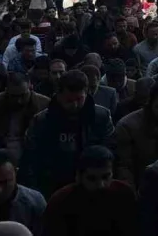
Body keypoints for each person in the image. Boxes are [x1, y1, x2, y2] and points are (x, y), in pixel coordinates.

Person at [21, 70, 115, 198]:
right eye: (69, 100)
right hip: (52, 182)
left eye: (79, 99)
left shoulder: (101, 117)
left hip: (93, 181)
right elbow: (30, 159)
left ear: (86, 94)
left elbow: (110, 150)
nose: (75, 105)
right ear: (58, 95)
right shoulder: (42, 121)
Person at [44, 145, 138, 236]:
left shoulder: (124, 195)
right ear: (79, 177)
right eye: (92, 178)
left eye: (105, 177)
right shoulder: (60, 201)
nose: (101, 185)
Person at [0, 73, 48, 165]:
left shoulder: (44, 104)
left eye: (23, 95)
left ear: (31, 87)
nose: (18, 101)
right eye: (13, 96)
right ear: (6, 90)